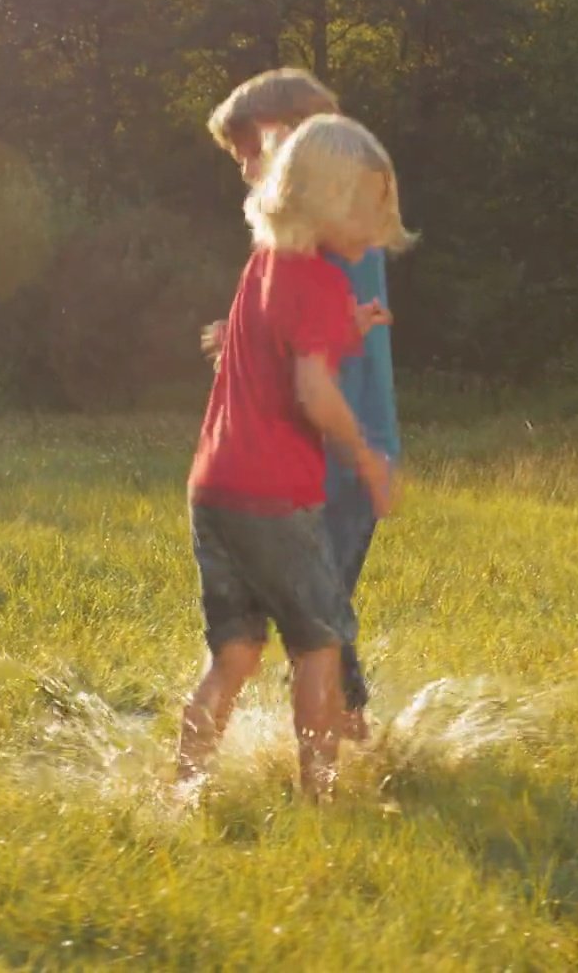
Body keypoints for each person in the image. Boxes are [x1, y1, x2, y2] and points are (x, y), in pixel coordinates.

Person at [176, 114, 413, 799]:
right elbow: (314, 391)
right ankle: (322, 797)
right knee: (320, 645)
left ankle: (184, 792)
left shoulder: (265, 266)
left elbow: (278, 348)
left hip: (215, 492)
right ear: (327, 201)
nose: (376, 231)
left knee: (235, 654)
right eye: (370, 212)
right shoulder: (319, 280)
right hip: (276, 500)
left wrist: (348, 326)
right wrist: (368, 462)